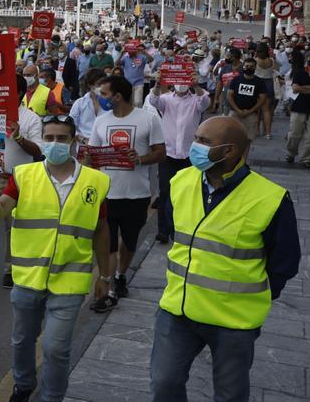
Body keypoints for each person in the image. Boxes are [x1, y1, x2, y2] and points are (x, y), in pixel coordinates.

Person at [142, 117, 299, 402]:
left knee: (229, 399)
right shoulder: (182, 180)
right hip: (178, 310)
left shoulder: (270, 198)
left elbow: (285, 263)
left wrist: (252, 295)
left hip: (233, 320)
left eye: (201, 139)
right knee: (163, 382)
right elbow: (174, 231)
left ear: (228, 150)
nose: (194, 145)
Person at [0, 115, 111, 402]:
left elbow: (101, 230)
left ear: (74, 141)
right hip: (28, 277)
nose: (54, 144)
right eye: (49, 137)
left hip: (70, 279)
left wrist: (104, 276)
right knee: (22, 340)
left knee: (56, 346)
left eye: (62, 138)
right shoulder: (23, 175)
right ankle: (23, 387)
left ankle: (53, 399)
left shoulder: (95, 181)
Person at [87, 75, 165, 311]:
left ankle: (121, 275)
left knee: (129, 241)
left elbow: (160, 152)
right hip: (106, 195)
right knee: (107, 243)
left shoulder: (148, 119)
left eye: (104, 94)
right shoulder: (101, 121)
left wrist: (140, 159)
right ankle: (108, 289)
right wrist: (88, 160)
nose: (101, 99)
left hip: (136, 195)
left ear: (118, 96)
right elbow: (92, 155)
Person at [0, 97, 43, 291]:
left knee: (13, 228)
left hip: (17, 180)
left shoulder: (30, 118)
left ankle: (11, 271)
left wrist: (19, 137)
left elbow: (38, 151)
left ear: (17, 92)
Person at [148, 77, 210, 244]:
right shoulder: (166, 99)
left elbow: (205, 102)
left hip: (189, 155)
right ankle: (163, 230)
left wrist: (196, 85)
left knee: (187, 194)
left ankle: (179, 229)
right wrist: (157, 83)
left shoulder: (196, 100)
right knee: (165, 192)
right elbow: (153, 100)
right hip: (168, 154)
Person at [224, 57, 268, 140]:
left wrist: (250, 111)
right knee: (231, 137)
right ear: (243, 67)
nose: (249, 68)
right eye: (247, 66)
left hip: (251, 114)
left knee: (248, 139)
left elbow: (263, 98)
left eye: (251, 66)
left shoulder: (259, 82)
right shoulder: (236, 79)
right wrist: (237, 110)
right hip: (235, 113)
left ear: (255, 68)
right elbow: (229, 95)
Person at [67, 69, 109, 143]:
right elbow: (70, 127)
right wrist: (83, 139)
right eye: (99, 84)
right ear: (90, 85)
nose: (102, 87)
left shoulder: (110, 103)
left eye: (104, 84)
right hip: (84, 144)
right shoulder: (79, 103)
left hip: (105, 144)